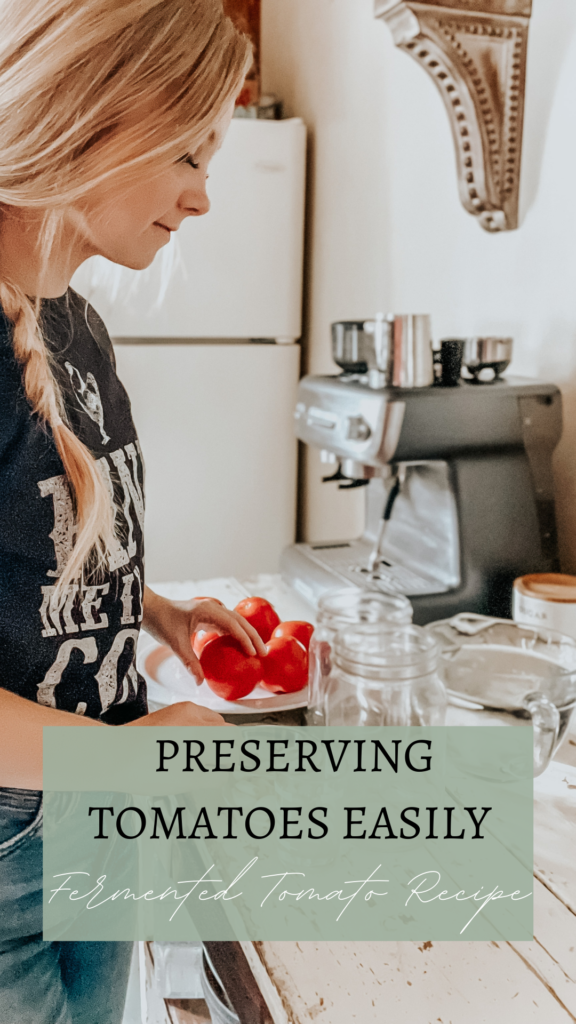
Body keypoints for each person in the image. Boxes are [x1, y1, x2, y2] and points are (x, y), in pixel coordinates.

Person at [0, 2, 266, 1021]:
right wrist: (136, 755)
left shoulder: (72, 320)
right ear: (88, 116)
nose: (202, 199)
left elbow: (35, 536)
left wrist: (154, 610)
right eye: (190, 154)